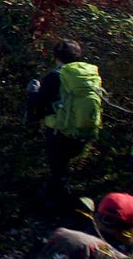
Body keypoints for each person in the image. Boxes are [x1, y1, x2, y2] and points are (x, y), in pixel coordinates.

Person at [28, 39, 107, 205]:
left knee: (58, 169)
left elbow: (40, 102)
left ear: (56, 56)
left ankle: (58, 206)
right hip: (85, 128)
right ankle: (60, 197)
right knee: (63, 168)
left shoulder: (55, 76)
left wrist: (33, 92)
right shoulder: (89, 74)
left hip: (59, 130)